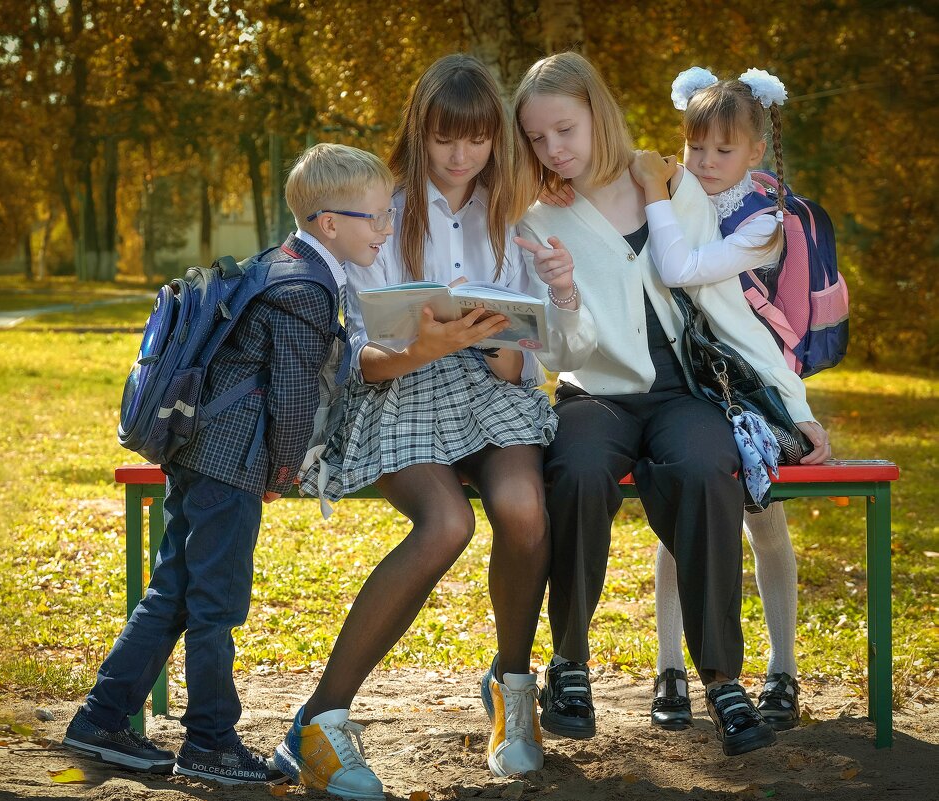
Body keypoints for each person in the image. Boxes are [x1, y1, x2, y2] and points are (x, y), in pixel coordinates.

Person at [509, 52, 831, 757]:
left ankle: (720, 677)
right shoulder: (536, 217)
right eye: (537, 139)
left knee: (705, 464)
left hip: (685, 390)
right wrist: (562, 294)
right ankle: (568, 661)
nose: (553, 150)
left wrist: (792, 401)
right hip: (595, 394)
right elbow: (559, 354)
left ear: (598, 112)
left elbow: (728, 309)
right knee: (579, 466)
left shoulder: (667, 184)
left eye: (564, 129)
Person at [61, 143, 396, 785]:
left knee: (177, 591)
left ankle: (102, 719)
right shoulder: (306, 288)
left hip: (200, 450)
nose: (385, 229)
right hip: (230, 464)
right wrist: (281, 471)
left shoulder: (282, 263)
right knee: (215, 604)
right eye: (376, 217)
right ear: (330, 222)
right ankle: (210, 741)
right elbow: (295, 397)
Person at [275, 54, 557, 799]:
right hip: (401, 390)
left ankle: (514, 692)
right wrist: (421, 346)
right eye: (443, 139)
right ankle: (321, 720)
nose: (460, 156)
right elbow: (355, 353)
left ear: (495, 140)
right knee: (445, 526)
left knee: (525, 510)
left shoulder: (512, 221)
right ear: (418, 133)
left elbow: (528, 356)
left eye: (476, 140)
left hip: (488, 393)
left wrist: (499, 341)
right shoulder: (382, 206)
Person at [628, 67, 819, 733]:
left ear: (755, 151)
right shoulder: (675, 193)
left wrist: (800, 412)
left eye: (724, 150)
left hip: (748, 389)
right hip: (683, 387)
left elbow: (682, 270)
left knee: (765, 523)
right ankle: (670, 669)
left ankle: (784, 668)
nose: (706, 163)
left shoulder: (763, 220)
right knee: (681, 516)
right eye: (695, 146)